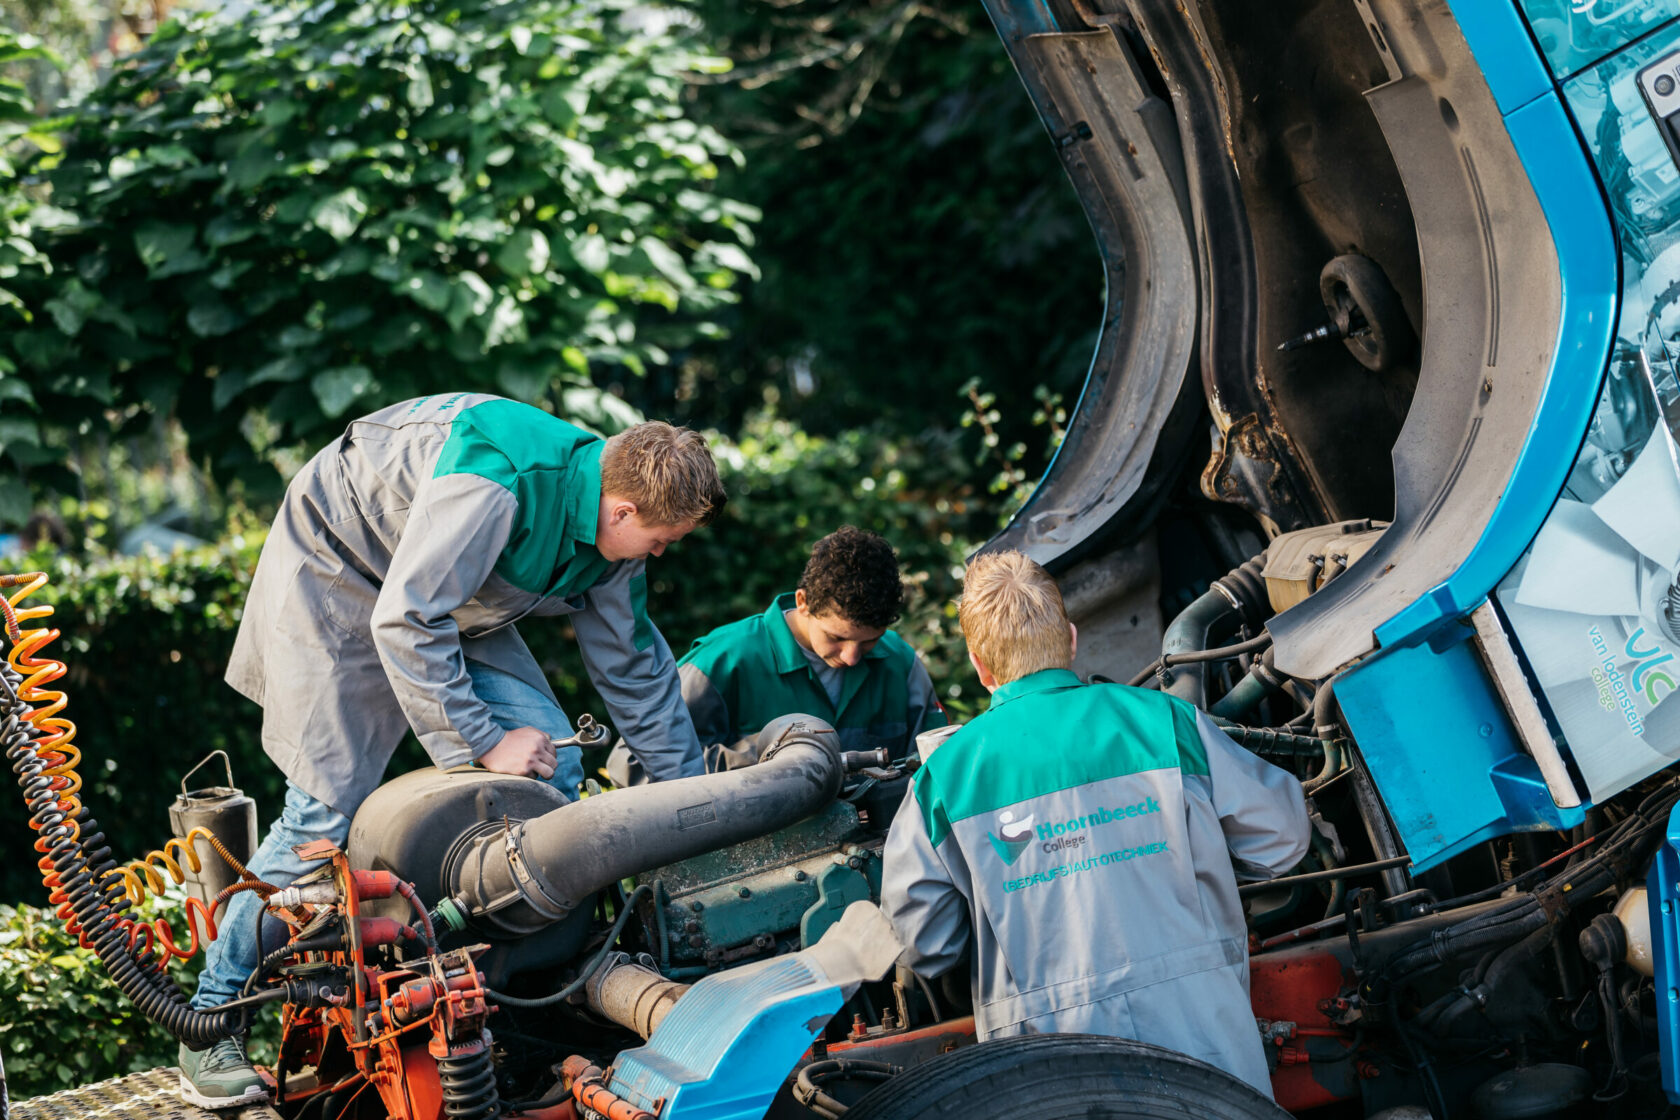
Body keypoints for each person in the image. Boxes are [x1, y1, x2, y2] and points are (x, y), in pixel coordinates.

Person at [179, 392, 724, 1108]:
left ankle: (513, 983)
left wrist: (697, 811)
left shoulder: (613, 518)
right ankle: (208, 1023)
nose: (661, 552)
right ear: (621, 513)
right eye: (661, 539)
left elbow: (634, 675)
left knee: (554, 766)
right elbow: (406, 620)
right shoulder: (497, 480)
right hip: (342, 566)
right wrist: (487, 742)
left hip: (445, 590)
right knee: (322, 814)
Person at [880, 550, 1309, 1099]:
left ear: (980, 666)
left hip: (1051, 1066)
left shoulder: (943, 780)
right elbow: (1284, 841)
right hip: (1203, 1033)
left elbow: (927, 942)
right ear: (1072, 640)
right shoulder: (1167, 723)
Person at [672, 526, 945, 773]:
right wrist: (769, 762)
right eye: (836, 637)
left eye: (869, 641)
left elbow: (938, 765)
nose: (851, 657)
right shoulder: (723, 660)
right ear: (803, 601)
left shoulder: (900, 663)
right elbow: (646, 760)